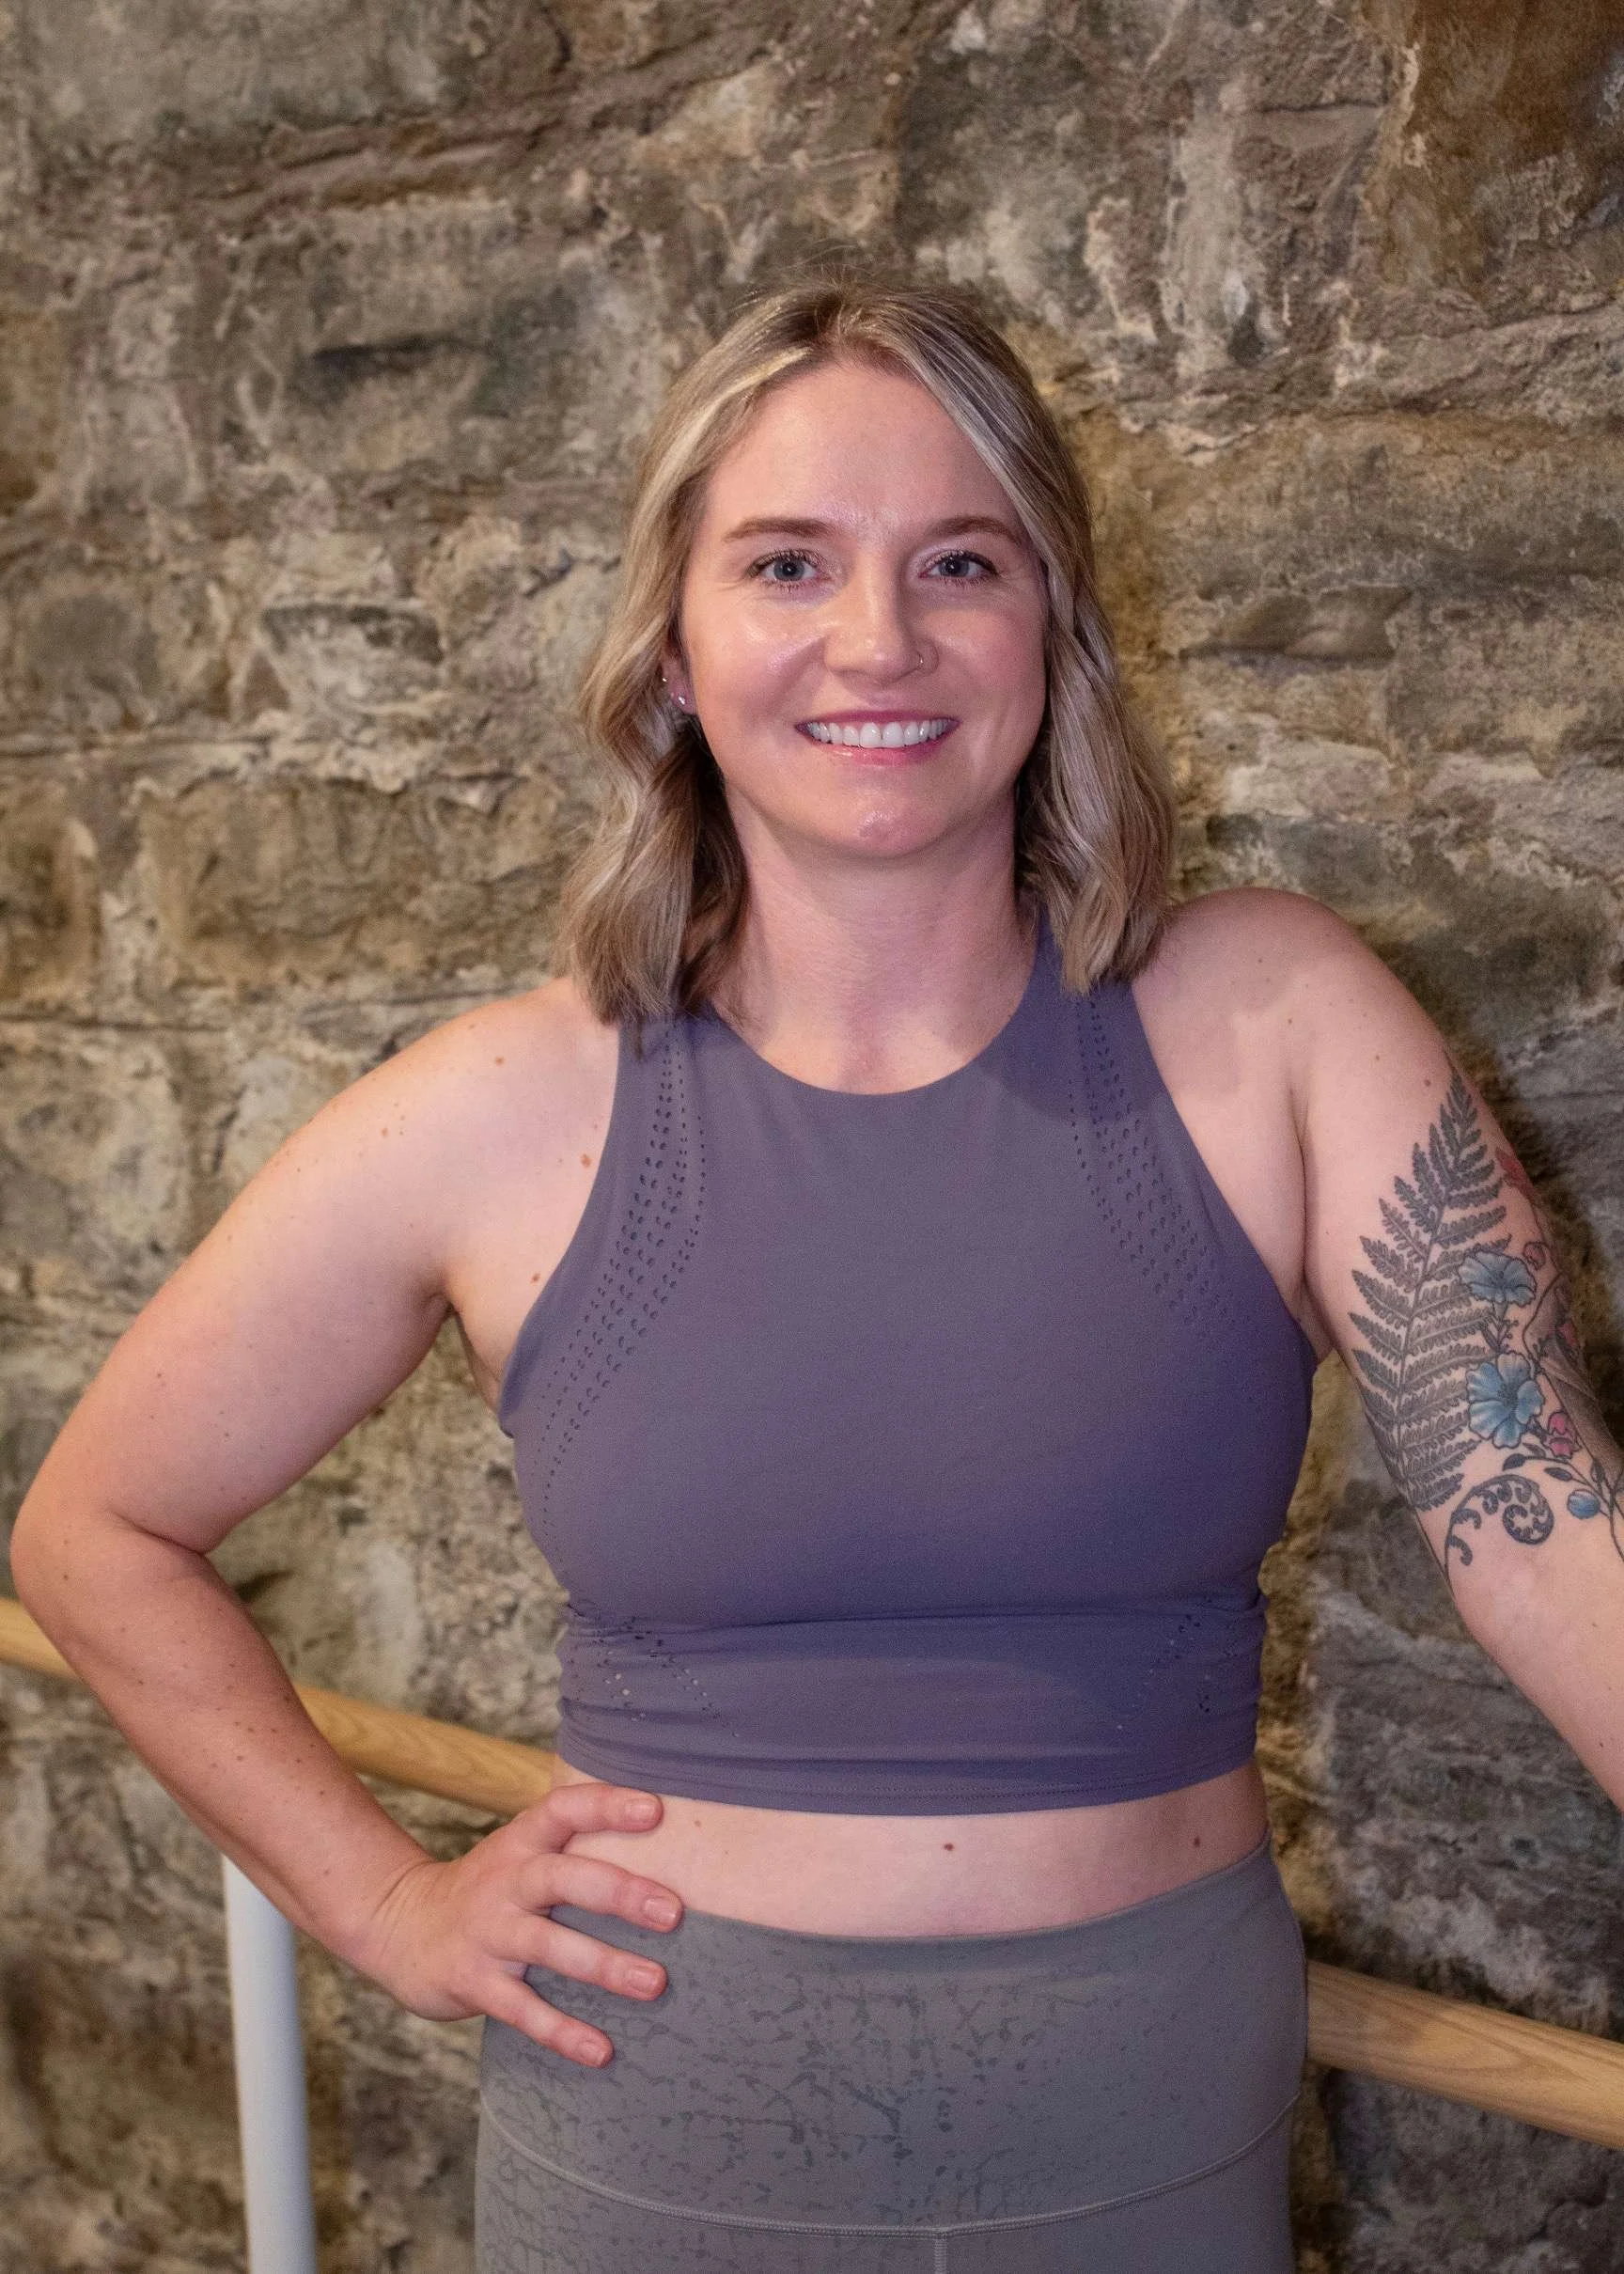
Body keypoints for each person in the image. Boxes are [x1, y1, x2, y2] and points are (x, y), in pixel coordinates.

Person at [12, 277, 1621, 2273]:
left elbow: (1542, 1524)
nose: (881, 639)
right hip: (659, 2140)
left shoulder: (1276, 1018)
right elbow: (97, 1526)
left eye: (962, 561)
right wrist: (378, 1901)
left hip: (1147, 2136)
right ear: (676, 651)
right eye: (788, 565)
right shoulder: (505, 1110)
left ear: (1057, 631)